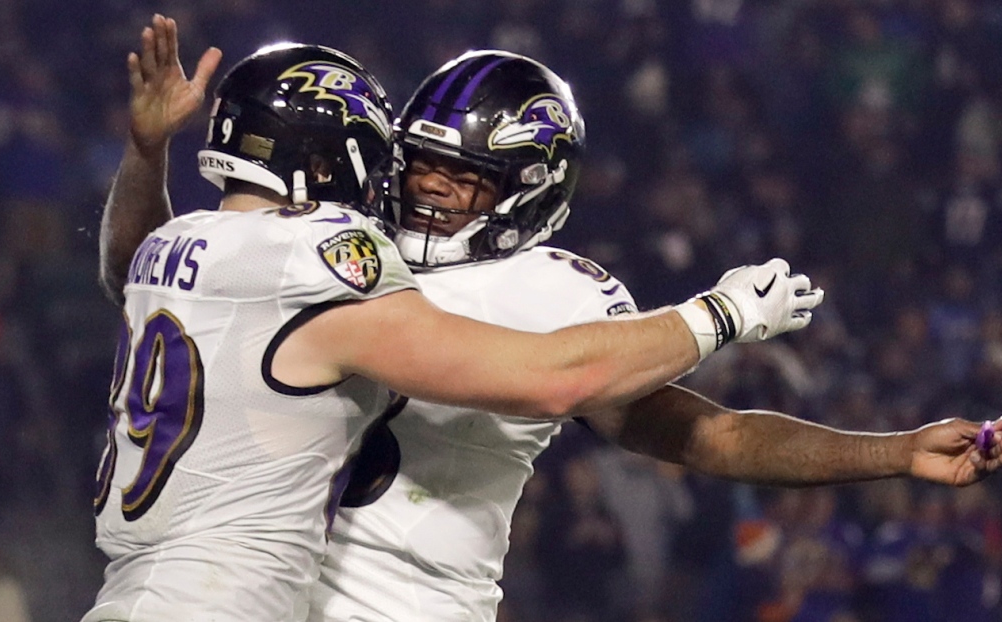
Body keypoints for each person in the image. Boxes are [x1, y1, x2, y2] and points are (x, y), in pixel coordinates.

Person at [87, 16, 838, 622]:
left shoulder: (201, 244)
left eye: (466, 176)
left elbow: (138, 271)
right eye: (416, 163)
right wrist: (719, 313)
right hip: (232, 592)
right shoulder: (335, 252)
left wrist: (146, 150)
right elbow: (550, 379)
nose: (428, 188)